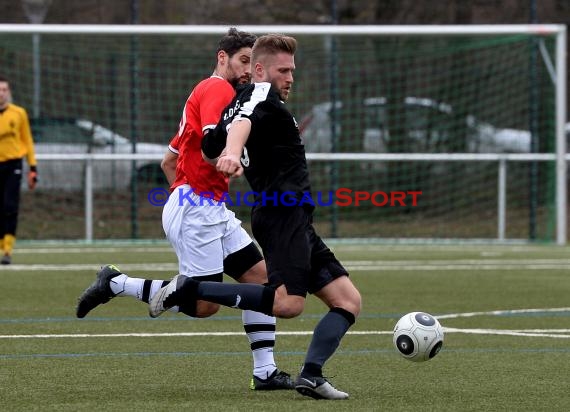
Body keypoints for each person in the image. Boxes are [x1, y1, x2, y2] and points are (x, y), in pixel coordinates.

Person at [75, 28, 293, 391]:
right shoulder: (216, 89)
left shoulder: (213, 94)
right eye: (242, 61)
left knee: (261, 282)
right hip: (198, 209)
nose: (246, 70)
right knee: (206, 304)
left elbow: (168, 160)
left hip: (206, 208)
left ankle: (265, 372)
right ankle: (117, 283)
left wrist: (191, 191)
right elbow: (212, 142)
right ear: (221, 58)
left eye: (251, 64)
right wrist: (203, 185)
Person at [149, 34, 362, 400]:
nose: (290, 77)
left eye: (293, 70)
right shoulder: (258, 94)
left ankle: (311, 375)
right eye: (283, 70)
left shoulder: (250, 101)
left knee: (348, 300)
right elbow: (240, 126)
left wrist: (224, 145)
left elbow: (213, 139)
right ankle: (191, 289)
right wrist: (232, 151)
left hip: (293, 217)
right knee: (288, 304)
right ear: (261, 70)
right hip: (281, 215)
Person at [0, 75, 38, 265]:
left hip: (13, 164)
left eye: (4, 89)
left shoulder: (18, 113)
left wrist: (33, 167)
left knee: (10, 206)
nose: (1, 93)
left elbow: (27, 140)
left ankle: (8, 250)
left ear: (9, 92)